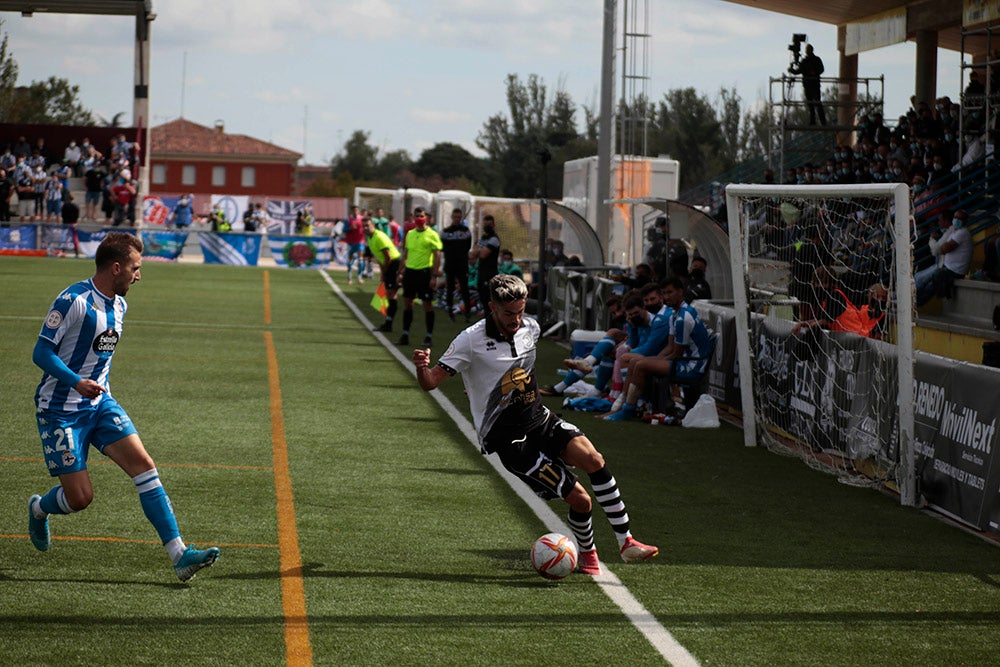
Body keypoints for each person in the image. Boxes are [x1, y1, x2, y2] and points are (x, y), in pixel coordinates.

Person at [412, 274, 659, 575]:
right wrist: (422, 367)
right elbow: (431, 383)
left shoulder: (532, 327)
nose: (516, 319)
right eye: (508, 313)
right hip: (509, 440)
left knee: (594, 459)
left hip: (539, 419)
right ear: (492, 307)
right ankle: (589, 556)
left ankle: (626, 542)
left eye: (520, 310)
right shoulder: (470, 340)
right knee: (581, 501)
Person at [26, 233, 220, 583]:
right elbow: (41, 353)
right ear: (116, 267)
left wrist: (97, 390)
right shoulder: (72, 301)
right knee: (81, 498)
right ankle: (39, 508)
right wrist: (76, 381)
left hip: (100, 405)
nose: (138, 275)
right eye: (135, 268)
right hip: (60, 410)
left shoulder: (120, 304)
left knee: (144, 465)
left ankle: (179, 556)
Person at [606, 277, 711, 421]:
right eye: (665, 293)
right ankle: (627, 404)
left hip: (691, 365)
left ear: (681, 292)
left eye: (670, 292)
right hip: (682, 360)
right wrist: (654, 360)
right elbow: (670, 346)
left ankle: (628, 408)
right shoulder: (676, 313)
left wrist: (653, 361)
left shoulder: (683, 318)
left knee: (641, 364)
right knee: (637, 362)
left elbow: (676, 353)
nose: (667, 296)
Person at [396, 207, 443, 347]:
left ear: (426, 217)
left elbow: (437, 256)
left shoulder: (432, 234)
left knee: (427, 305)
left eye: (421, 216)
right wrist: (400, 272)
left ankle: (428, 336)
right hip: (410, 272)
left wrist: (434, 275)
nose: (419, 218)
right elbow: (405, 254)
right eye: (416, 216)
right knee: (407, 303)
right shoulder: (410, 233)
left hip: (424, 273)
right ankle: (405, 334)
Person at [915, 209, 972, 306]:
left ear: (965, 221)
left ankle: (915, 302)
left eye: (959, 218)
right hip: (947, 267)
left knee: (926, 279)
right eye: (955, 217)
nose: (956, 220)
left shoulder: (962, 232)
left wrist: (932, 241)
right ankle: (911, 300)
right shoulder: (954, 231)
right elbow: (941, 249)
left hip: (954, 270)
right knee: (919, 278)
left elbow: (942, 249)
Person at [365, 217, 402, 333]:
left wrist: (385, 271)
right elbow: (380, 258)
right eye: (364, 226)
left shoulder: (379, 237)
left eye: (368, 225)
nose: (365, 228)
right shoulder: (370, 238)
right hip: (389, 265)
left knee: (391, 293)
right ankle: (388, 323)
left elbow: (388, 257)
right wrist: (382, 273)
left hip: (394, 263)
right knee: (389, 293)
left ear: (373, 226)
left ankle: (389, 323)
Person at [439, 208, 473, 322]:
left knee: (464, 288)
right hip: (450, 264)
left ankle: (467, 312)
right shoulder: (446, 232)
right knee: (449, 289)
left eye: (459, 217)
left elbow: (468, 246)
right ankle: (450, 313)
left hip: (462, 264)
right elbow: (442, 247)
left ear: (461, 217)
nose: (457, 219)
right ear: (452, 217)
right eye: (455, 217)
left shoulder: (466, 231)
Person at [475, 214, 501, 311]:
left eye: (489, 225)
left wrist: (478, 250)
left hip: (490, 272)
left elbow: (482, 254)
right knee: (482, 296)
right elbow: (473, 254)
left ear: (493, 225)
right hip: (481, 270)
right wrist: (478, 250)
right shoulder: (483, 238)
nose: (487, 227)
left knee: (488, 297)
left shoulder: (494, 239)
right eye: (485, 224)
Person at [797, 44, 826, 126]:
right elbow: (799, 70)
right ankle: (814, 121)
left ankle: (821, 121)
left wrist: (814, 72)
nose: (807, 51)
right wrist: (792, 70)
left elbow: (821, 69)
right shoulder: (805, 60)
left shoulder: (815, 59)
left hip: (813, 84)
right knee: (811, 104)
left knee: (816, 103)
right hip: (808, 85)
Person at [344, 205, 366, 285]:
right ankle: (349, 277)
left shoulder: (362, 219)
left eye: (357, 210)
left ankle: (359, 277)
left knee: (361, 259)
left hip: (360, 241)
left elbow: (366, 228)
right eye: (354, 210)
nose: (356, 211)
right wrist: (350, 228)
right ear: (352, 211)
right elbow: (344, 230)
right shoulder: (348, 220)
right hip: (351, 242)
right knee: (350, 261)